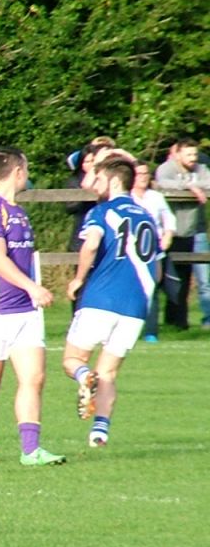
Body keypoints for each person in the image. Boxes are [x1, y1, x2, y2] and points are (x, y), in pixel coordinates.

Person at [0, 147, 63, 466]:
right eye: (27, 169)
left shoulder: (18, 211)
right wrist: (33, 286)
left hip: (25, 310)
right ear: (18, 171)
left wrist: (31, 293)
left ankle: (31, 450)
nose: (28, 175)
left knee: (34, 378)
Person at [61, 155, 159, 449]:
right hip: (137, 305)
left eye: (99, 179)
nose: (95, 186)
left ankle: (84, 376)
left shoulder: (102, 212)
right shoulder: (147, 216)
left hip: (101, 298)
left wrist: (78, 279)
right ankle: (99, 433)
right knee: (109, 372)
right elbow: (158, 265)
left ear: (114, 181)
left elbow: (91, 244)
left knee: (72, 361)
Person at [154, 138, 210, 329]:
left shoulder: (201, 169)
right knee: (170, 278)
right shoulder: (166, 168)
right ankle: (169, 320)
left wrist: (193, 185)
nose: (193, 158)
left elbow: (209, 183)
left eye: (195, 154)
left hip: (194, 230)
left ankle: (187, 322)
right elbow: (163, 182)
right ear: (177, 154)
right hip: (171, 231)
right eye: (188, 154)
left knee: (197, 279)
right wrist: (191, 186)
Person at [131, 161, 176, 341]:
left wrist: (167, 237)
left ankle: (151, 331)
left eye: (145, 173)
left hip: (153, 251)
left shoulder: (156, 197)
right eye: (139, 174)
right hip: (131, 252)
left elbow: (169, 219)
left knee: (152, 289)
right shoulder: (127, 198)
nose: (143, 177)